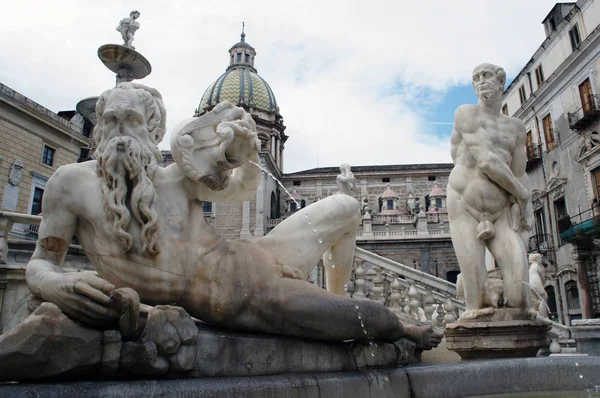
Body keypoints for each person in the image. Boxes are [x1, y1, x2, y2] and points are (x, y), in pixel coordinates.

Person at [25, 82, 440, 348]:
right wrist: (57, 285)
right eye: (110, 120)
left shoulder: (175, 177)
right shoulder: (68, 184)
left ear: (152, 130)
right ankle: (395, 325)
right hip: (243, 297)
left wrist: (235, 153)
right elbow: (42, 261)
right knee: (373, 320)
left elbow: (240, 187)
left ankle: (336, 293)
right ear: (98, 127)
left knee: (347, 206)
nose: (119, 131)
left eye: (131, 120)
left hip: (254, 254)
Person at [447, 63, 533, 320]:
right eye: (476, 77)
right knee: (476, 308)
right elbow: (487, 161)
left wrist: (523, 208)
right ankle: (470, 282)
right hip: (465, 205)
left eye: (486, 76)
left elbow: (519, 172)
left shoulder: (516, 127)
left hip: (500, 210)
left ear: (500, 82)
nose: (480, 81)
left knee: (519, 296)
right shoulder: (466, 114)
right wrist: (523, 196)